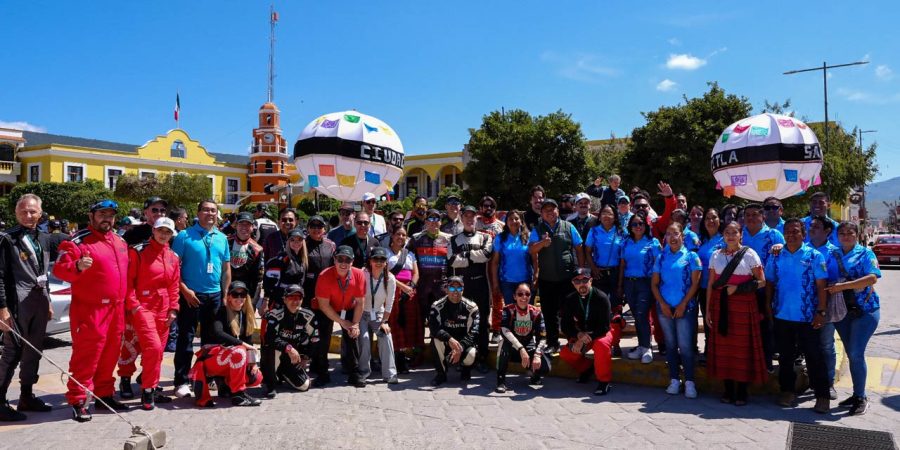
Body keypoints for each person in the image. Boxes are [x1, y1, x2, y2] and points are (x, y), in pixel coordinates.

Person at [53, 199, 130, 422]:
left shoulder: (119, 241)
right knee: (87, 356)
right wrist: (76, 266)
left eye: (111, 214)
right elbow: (59, 270)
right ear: (91, 216)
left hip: (116, 309)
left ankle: (104, 395)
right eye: (102, 214)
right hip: (90, 310)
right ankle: (78, 399)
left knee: (111, 354)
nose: (107, 218)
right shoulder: (77, 242)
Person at [765, 219, 830, 414]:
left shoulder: (815, 256)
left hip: (808, 317)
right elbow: (769, 283)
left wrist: (821, 312)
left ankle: (822, 396)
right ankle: (787, 391)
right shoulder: (776, 256)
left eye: (795, 231)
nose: (791, 235)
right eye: (787, 231)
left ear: (804, 234)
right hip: (782, 315)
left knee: (814, 357)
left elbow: (821, 286)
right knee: (785, 358)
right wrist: (768, 308)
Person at [116, 218, 180, 410]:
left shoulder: (173, 256)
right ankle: (143, 387)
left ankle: (149, 385)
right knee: (146, 347)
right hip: (142, 307)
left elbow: (174, 285)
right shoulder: (138, 251)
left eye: (167, 232)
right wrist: (134, 306)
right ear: (153, 230)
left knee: (158, 351)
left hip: (164, 309)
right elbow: (129, 282)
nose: (163, 234)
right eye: (160, 230)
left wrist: (173, 309)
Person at [0, 194, 53, 421]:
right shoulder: (6, 239)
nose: (28, 215)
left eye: (33, 211)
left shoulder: (44, 237)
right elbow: (0, 276)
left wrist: (48, 301)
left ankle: (26, 395)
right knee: (12, 352)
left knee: (34, 351)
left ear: (40, 213)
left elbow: (43, 273)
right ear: (16, 213)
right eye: (24, 211)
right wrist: (2, 309)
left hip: (39, 302)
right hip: (16, 303)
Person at [171, 200, 231, 399]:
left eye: (213, 211)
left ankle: (205, 376)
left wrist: (224, 294)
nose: (210, 214)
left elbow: (226, 268)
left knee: (210, 340)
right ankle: (181, 380)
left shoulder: (221, 238)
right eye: (206, 210)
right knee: (186, 338)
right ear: (198, 213)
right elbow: (173, 268)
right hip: (191, 295)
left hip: (214, 295)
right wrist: (185, 290)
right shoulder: (183, 236)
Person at [706, 221, 767, 406]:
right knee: (725, 349)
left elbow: (762, 282)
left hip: (744, 306)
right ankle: (727, 389)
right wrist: (708, 309)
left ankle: (741, 392)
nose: (731, 236)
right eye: (727, 232)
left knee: (742, 348)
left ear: (741, 234)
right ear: (722, 235)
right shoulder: (715, 255)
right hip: (720, 306)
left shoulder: (750, 254)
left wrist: (738, 289)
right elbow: (710, 284)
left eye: (734, 232)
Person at [829, 222, 881, 415]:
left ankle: (861, 397)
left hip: (865, 311)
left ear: (857, 235)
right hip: (841, 311)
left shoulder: (866, 254)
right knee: (852, 354)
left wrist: (842, 286)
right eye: (841, 233)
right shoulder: (832, 253)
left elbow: (872, 278)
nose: (846, 236)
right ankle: (856, 393)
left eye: (850, 233)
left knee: (856, 353)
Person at [190, 281, 262, 407]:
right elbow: (218, 333)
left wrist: (253, 362)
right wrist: (243, 344)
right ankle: (239, 395)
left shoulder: (245, 315)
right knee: (239, 351)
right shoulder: (221, 312)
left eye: (243, 294)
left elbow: (249, 341)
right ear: (228, 297)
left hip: (230, 358)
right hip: (212, 360)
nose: (239, 298)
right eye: (235, 294)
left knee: (256, 377)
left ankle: (225, 385)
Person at [652, 223, 702, 399]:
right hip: (665, 307)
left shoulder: (692, 257)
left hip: (685, 308)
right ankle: (674, 379)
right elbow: (654, 284)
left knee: (686, 347)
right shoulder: (661, 257)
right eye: (668, 233)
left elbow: (695, 284)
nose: (672, 237)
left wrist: (682, 305)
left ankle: (689, 381)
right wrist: (663, 305)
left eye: (676, 233)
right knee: (671, 345)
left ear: (682, 236)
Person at [528, 198, 584, 354]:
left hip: (567, 278)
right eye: (546, 210)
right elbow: (532, 250)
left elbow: (579, 248)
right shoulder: (537, 229)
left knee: (569, 311)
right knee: (549, 312)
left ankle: (573, 340)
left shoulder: (568, 226)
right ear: (541, 213)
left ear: (557, 211)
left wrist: (581, 270)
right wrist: (542, 243)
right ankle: (553, 342)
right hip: (547, 279)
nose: (549, 212)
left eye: (552, 209)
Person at [559, 269, 620, 396]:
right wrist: (577, 335)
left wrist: (583, 339)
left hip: (602, 332)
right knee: (566, 353)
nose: (581, 284)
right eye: (577, 281)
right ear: (573, 283)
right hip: (582, 333)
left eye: (585, 280)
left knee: (601, 346)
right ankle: (587, 369)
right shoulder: (570, 299)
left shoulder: (601, 297)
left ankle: (604, 381)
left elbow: (604, 326)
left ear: (591, 281)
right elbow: (565, 325)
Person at [448, 205, 493, 373]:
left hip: (480, 284)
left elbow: (486, 255)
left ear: (477, 218)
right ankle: (462, 357)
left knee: (482, 322)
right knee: (461, 321)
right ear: (461, 217)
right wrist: (474, 256)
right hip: (462, 286)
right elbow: (452, 261)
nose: (469, 219)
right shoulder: (454, 239)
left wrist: (465, 255)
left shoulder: (485, 237)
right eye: (466, 215)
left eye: (472, 216)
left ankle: (482, 357)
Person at [314, 245, 367, 387]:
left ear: (352, 261)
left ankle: (354, 373)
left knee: (352, 336)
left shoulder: (359, 274)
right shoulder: (324, 276)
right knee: (323, 338)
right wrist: (342, 322)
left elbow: (361, 303)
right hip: (328, 308)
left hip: (349, 307)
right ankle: (322, 373)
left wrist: (354, 324)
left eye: (347, 260)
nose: (343, 263)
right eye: (340, 259)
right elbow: (324, 305)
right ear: (334, 260)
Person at [741, 203, 785, 372]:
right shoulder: (739, 235)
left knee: (766, 327)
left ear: (763, 216)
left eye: (755, 214)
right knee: (746, 329)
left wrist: (782, 247)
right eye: (748, 215)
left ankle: (766, 364)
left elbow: (785, 257)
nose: (751, 218)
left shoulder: (774, 235)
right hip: (743, 289)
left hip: (767, 289)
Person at [618, 212, 661, 364]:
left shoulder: (653, 242)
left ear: (645, 226)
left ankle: (647, 347)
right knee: (637, 315)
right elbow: (623, 265)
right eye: (634, 224)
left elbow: (658, 264)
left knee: (642, 314)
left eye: (641, 224)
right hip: (629, 283)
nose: (638, 227)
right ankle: (642, 346)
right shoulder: (626, 242)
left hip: (646, 282)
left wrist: (656, 284)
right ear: (630, 227)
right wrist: (620, 285)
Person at [261, 284, 317, 397]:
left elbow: (315, 338)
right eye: (291, 297)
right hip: (276, 353)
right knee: (273, 349)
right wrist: (288, 348)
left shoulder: (308, 316)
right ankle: (271, 384)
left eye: (298, 298)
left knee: (305, 386)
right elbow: (269, 338)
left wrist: (306, 357)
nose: (295, 301)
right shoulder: (275, 315)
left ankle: (282, 372)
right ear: (284, 299)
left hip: (293, 357)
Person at [495, 283, 550, 393]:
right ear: (514, 296)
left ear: (530, 296)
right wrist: (520, 348)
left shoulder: (536, 312)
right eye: (520, 294)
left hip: (528, 346)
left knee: (546, 367)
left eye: (527, 294)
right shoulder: (508, 310)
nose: (524, 297)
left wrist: (537, 355)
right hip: (513, 348)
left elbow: (543, 337)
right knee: (503, 344)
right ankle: (501, 381)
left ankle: (533, 374)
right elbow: (504, 331)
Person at [808, 216, 841, 400]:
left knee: (826, 345)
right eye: (811, 226)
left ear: (827, 231)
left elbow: (833, 281)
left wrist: (822, 307)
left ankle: (828, 383)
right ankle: (813, 382)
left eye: (817, 226)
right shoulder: (802, 248)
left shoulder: (834, 253)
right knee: (809, 346)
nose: (812, 229)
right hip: (804, 306)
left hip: (826, 306)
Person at [406, 209, 451, 344]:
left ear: (440, 222)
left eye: (436, 219)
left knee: (440, 319)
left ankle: (438, 348)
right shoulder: (416, 238)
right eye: (430, 219)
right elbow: (409, 259)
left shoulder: (448, 238)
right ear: (425, 222)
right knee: (419, 319)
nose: (433, 222)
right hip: (422, 285)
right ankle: (418, 351)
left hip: (441, 285)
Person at [428, 276, 479, 386]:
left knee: (472, 353)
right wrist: (449, 339)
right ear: (446, 289)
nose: (455, 292)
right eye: (452, 288)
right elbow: (434, 329)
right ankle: (441, 374)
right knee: (436, 341)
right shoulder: (437, 306)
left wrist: (460, 348)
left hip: (463, 344)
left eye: (459, 288)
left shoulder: (472, 307)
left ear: (463, 289)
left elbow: (474, 333)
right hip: (446, 342)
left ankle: (466, 370)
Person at [302, 215, 336, 379]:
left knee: (325, 332)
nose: (316, 229)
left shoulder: (331, 245)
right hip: (306, 295)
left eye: (320, 226)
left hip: (326, 297)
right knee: (307, 332)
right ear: (308, 228)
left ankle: (321, 365)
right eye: (313, 226)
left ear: (325, 229)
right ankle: (304, 364)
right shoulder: (301, 244)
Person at [359, 247, 398, 383]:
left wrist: (385, 321)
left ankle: (390, 374)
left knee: (386, 336)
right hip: (362, 313)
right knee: (363, 339)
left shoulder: (390, 279)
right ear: (370, 261)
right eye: (376, 259)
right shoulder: (363, 274)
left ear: (386, 262)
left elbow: (390, 302)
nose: (379, 262)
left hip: (379, 313)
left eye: (382, 259)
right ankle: (363, 371)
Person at [584, 205, 624, 322]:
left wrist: (621, 282)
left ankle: (615, 334)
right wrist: (593, 268)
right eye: (604, 213)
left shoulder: (621, 232)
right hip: (599, 273)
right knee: (600, 303)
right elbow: (587, 251)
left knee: (616, 305)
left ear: (615, 217)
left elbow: (623, 257)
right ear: (599, 216)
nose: (607, 216)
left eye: (610, 213)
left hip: (616, 272)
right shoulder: (594, 231)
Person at [696, 208, 725, 359]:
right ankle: (709, 351)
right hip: (703, 287)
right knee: (708, 321)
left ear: (720, 220)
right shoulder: (701, 240)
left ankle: (719, 353)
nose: (710, 221)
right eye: (707, 218)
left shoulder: (725, 239)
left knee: (720, 321)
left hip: (720, 288)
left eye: (714, 217)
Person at [490, 210, 532, 306]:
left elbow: (534, 259)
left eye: (516, 219)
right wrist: (495, 283)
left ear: (521, 221)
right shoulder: (500, 238)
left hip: (525, 280)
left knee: (525, 311)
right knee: (510, 312)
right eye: (510, 219)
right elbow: (495, 262)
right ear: (506, 221)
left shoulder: (528, 236)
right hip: (507, 282)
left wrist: (535, 277)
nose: (513, 221)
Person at [263, 228, 307, 312]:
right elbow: (269, 284)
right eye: (292, 240)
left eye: (299, 240)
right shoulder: (281, 259)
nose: (296, 243)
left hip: (295, 303)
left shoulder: (302, 259)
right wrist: (265, 302)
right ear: (288, 241)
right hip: (279, 303)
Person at [227, 212, 264, 309]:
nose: (244, 227)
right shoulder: (225, 242)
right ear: (236, 225)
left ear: (252, 227)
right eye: (241, 223)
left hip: (244, 295)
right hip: (226, 290)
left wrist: (251, 298)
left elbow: (257, 277)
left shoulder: (257, 249)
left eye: (247, 224)